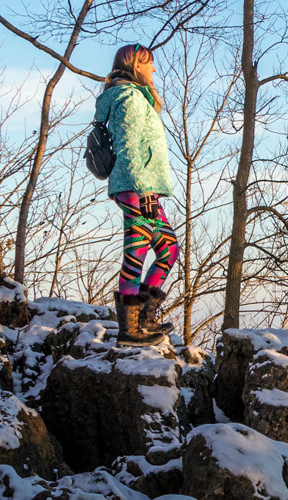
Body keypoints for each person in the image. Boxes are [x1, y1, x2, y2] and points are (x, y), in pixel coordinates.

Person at [94, 43, 177, 346]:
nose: (154, 68)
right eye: (149, 63)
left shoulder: (136, 96)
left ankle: (145, 319)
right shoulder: (128, 97)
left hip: (144, 187)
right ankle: (129, 331)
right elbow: (128, 147)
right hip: (136, 188)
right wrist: (143, 190)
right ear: (135, 65)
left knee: (168, 250)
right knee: (136, 254)